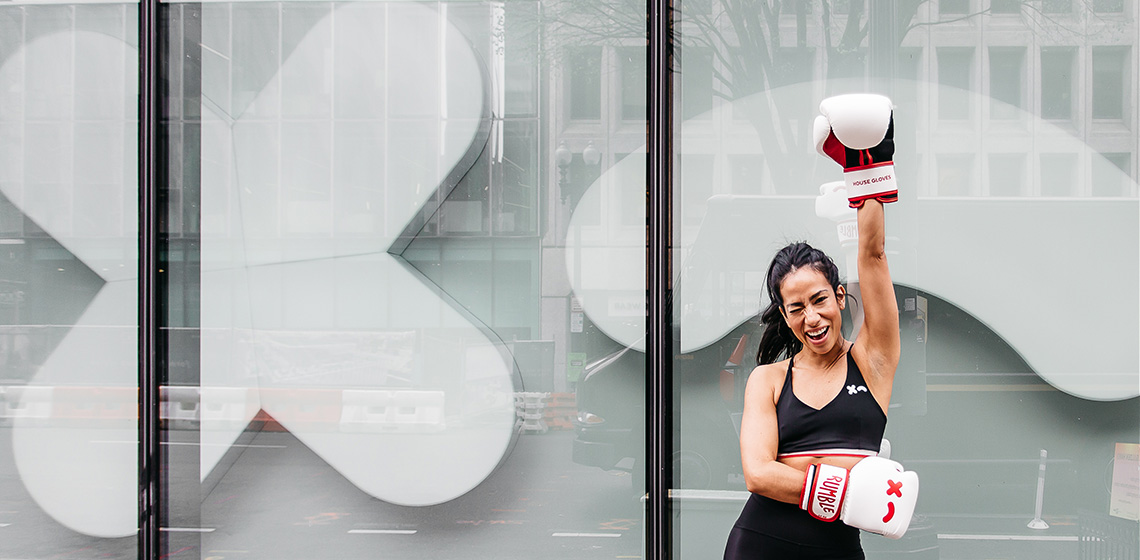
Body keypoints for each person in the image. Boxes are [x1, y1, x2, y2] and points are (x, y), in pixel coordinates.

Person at [723, 94, 918, 560]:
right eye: (795, 308)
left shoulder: (873, 359)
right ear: (785, 316)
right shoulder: (767, 380)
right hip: (760, 545)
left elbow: (872, 253)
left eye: (819, 300)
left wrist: (867, 164)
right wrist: (847, 494)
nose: (811, 317)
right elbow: (758, 473)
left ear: (839, 297)